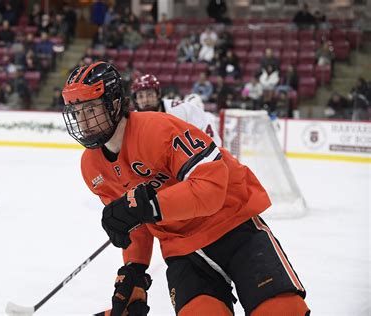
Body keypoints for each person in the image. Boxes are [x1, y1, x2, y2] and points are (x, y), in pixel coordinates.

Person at [61, 62, 309, 315]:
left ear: (114, 103)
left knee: (281, 310)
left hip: (234, 226)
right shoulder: (92, 167)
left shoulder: (158, 129)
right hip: (183, 250)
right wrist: (135, 268)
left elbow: (210, 189)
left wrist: (150, 206)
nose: (83, 121)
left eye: (90, 109)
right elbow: (134, 222)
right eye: (77, 113)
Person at [131, 73, 221, 145]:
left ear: (158, 94)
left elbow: (204, 123)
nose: (145, 100)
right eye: (140, 96)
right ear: (135, 100)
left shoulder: (180, 109)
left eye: (149, 95)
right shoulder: (131, 123)